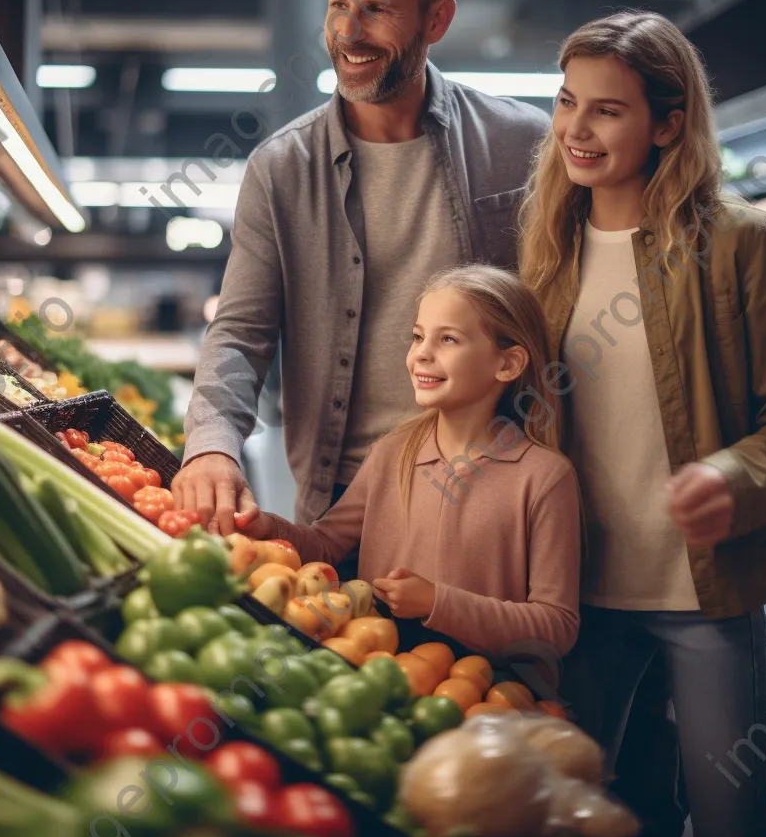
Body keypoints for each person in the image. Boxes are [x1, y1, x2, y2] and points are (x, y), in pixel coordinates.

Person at [517, 10, 766, 837]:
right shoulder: (545, 246)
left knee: (731, 817)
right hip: (573, 597)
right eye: (566, 102)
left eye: (607, 110)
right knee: (584, 816)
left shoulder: (742, 243)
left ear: (668, 123)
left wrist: (734, 477)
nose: (576, 129)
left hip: (707, 593)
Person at [172, 0, 550, 534]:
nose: (348, 32)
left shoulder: (521, 144)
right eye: (337, 5)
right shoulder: (282, 168)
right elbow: (240, 333)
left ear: (437, 20)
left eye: (376, 10)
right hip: (342, 497)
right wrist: (212, 443)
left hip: (495, 485)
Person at [237, 264, 582, 660]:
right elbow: (326, 546)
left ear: (507, 364)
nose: (422, 353)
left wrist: (439, 602)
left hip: (486, 701)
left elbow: (556, 627)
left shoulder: (545, 478)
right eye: (417, 337)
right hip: (377, 676)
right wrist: (268, 527)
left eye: (448, 339)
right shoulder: (391, 452)